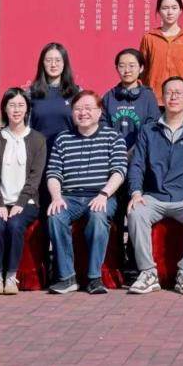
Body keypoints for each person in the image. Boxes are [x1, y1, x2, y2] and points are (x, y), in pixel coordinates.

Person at [125, 76, 183, 296]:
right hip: (153, 196)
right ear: (162, 98)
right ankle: (148, 273)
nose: (173, 97)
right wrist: (136, 192)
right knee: (136, 213)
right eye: (169, 93)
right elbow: (137, 164)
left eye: (179, 93)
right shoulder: (148, 130)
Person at [45, 90, 128, 295]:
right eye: (78, 109)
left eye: (88, 108)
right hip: (70, 196)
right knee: (55, 215)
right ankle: (67, 277)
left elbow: (119, 171)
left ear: (99, 112)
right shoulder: (63, 139)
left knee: (98, 215)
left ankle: (94, 278)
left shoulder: (113, 137)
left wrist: (104, 194)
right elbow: (53, 172)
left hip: (101, 195)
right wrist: (56, 197)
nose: (83, 113)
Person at [0, 88, 46, 295]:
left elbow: (35, 177)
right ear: (4, 109)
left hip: (26, 203)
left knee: (16, 225)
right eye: (11, 105)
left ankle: (11, 276)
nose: (16, 110)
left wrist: (20, 203)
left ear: (27, 109)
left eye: (20, 105)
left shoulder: (38, 140)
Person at [139, 0, 183, 102]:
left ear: (180, 11)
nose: (170, 12)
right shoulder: (149, 38)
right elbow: (142, 70)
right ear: (158, 11)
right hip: (155, 99)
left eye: (174, 8)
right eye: (165, 8)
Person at [99, 47, 160, 152]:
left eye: (132, 66)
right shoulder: (109, 97)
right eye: (122, 66)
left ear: (141, 68)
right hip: (113, 153)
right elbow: (102, 127)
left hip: (141, 154)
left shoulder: (148, 96)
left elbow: (152, 127)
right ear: (116, 68)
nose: (127, 70)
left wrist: (134, 152)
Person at [28, 42, 80, 148]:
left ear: (64, 63)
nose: (53, 65)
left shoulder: (77, 93)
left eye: (58, 60)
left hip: (69, 152)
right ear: (42, 63)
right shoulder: (31, 93)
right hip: (39, 153)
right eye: (48, 60)